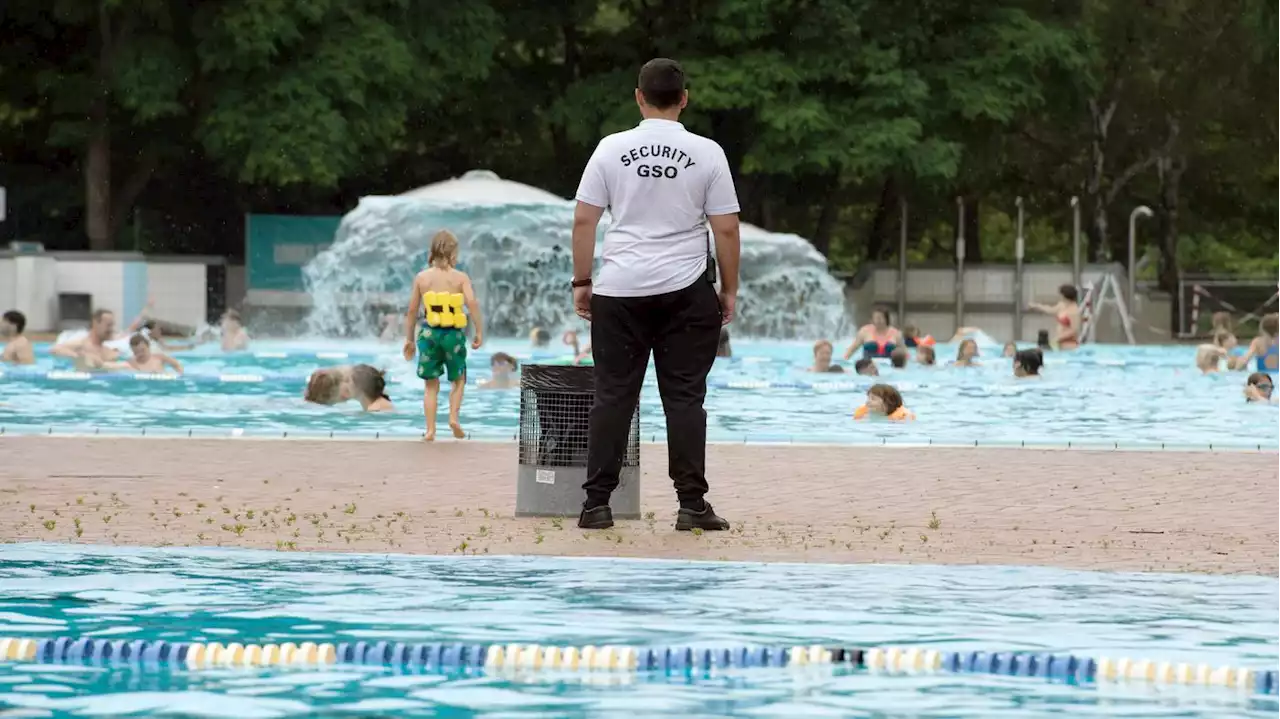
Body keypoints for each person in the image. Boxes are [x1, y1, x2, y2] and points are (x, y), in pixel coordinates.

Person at [570, 57, 739, 532]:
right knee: (684, 399)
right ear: (683, 99)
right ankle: (691, 505)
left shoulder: (610, 149)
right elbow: (725, 229)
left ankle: (596, 504)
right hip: (687, 290)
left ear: (639, 97)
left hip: (619, 288)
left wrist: (583, 282)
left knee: (612, 397)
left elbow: (585, 220)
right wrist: (729, 290)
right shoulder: (707, 153)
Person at [403, 230, 484, 440]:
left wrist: (409, 339)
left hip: (428, 334)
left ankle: (430, 430)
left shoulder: (422, 278)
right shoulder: (460, 278)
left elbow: (412, 311)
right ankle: (453, 418)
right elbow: (472, 303)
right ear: (453, 253)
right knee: (458, 379)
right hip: (453, 336)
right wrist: (479, 330)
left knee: (431, 384)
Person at [304, 365, 394, 412]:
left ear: (358, 387)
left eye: (347, 381)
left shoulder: (378, 408)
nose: (345, 384)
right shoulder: (372, 404)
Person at [51, 309, 120, 368]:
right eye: (108, 325)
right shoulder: (81, 345)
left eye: (112, 325)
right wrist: (80, 358)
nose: (111, 329)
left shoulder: (109, 352)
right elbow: (55, 349)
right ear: (95, 323)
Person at [1028, 284, 1081, 350]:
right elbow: (1050, 309)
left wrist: (1058, 337)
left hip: (1069, 343)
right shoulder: (1062, 305)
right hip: (1060, 342)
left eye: (1061, 294)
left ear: (1065, 295)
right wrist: (1036, 306)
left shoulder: (1074, 311)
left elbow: (1074, 330)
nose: (1059, 296)